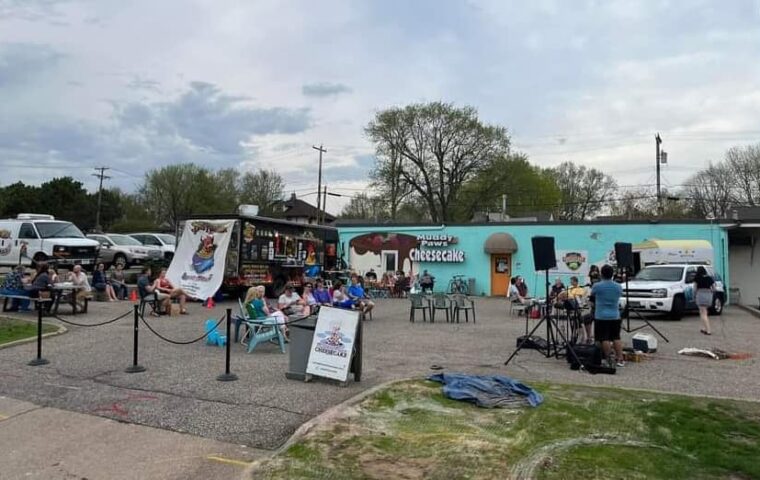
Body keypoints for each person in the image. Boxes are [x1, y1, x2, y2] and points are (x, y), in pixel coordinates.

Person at [590, 264, 624, 367]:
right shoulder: (618, 286)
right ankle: (620, 359)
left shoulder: (597, 286)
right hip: (615, 315)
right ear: (612, 274)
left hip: (601, 316)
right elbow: (619, 295)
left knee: (604, 338)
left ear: (601, 274)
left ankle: (608, 359)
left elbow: (592, 298)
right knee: (616, 337)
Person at [693, 266, 715, 335]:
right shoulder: (709, 278)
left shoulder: (697, 278)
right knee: (703, 312)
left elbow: (694, 288)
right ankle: (704, 328)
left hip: (700, 295)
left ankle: (708, 330)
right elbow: (714, 287)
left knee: (703, 313)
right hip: (708, 295)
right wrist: (711, 292)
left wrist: (694, 296)